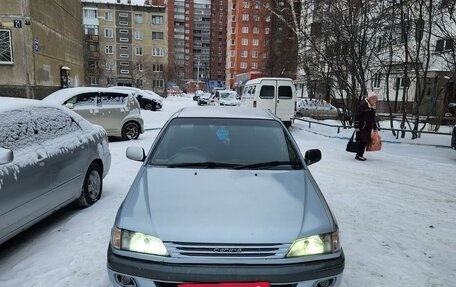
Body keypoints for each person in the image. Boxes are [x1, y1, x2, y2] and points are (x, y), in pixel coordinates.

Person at [353, 92, 378, 161]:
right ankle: (359, 155)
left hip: (368, 127)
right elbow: (357, 116)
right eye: (374, 99)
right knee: (362, 140)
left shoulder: (372, 106)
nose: (375, 100)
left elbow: (372, 118)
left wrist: (374, 127)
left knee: (366, 141)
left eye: (376, 99)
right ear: (370, 98)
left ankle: (360, 154)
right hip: (362, 127)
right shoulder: (363, 105)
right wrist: (356, 126)